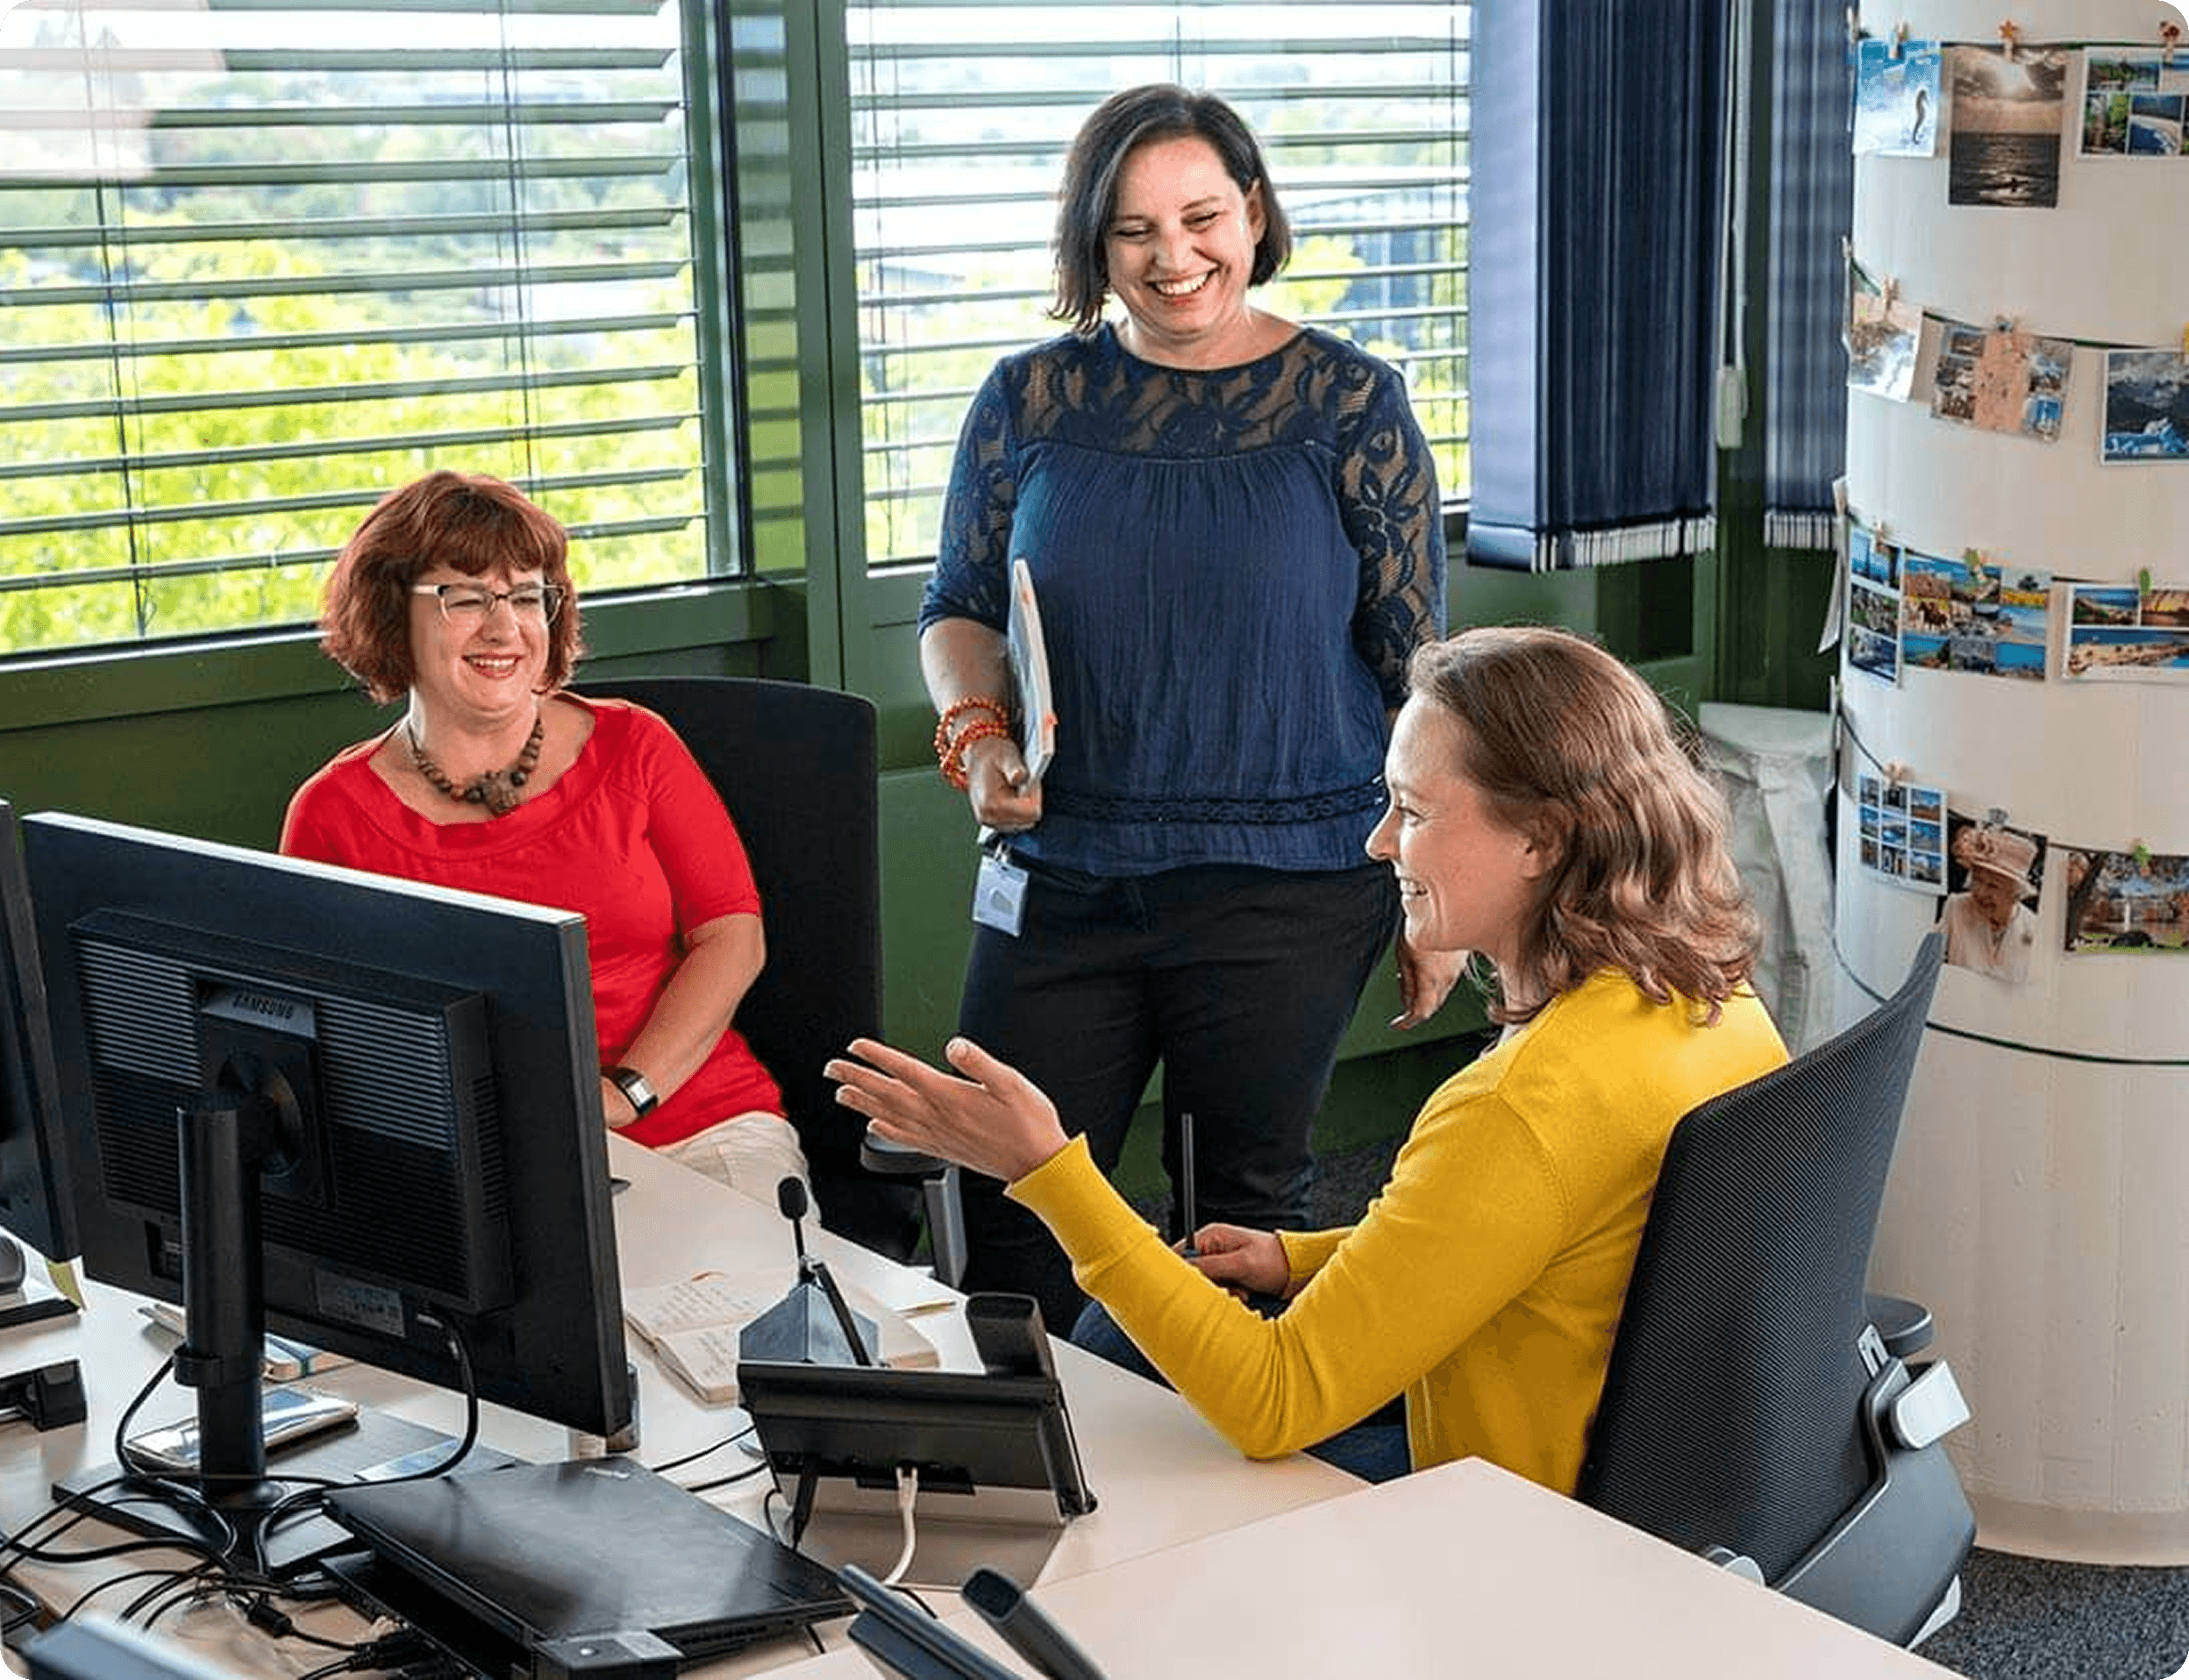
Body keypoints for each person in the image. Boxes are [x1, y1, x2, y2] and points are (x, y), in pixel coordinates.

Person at [831, 626, 1790, 1492]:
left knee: (1121, 1405)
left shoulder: (1515, 1106)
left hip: (1500, 1511)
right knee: (1120, 1333)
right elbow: (1539, 1236)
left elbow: (1276, 1399)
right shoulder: (1714, 996)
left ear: (1540, 835)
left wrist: (1046, 1171)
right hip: (1617, 1451)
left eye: (1413, 810)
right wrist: (1301, 1257)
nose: (1380, 842)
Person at [916, 83, 1451, 1332]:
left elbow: (1417, 666)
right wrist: (978, 734)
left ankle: (1221, 1504)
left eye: (1202, 215)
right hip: (1063, 875)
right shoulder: (1028, 402)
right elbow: (958, 607)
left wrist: (1434, 890)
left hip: (1293, 882)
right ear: (1092, 248)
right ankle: (1027, 1491)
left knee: (1239, 1224)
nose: (1174, 257)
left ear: (1254, 214)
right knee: (1011, 1198)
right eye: (1133, 231)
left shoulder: (1349, 405)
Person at [281, 470, 809, 1201]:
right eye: (464, 597)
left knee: (736, 1309)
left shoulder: (637, 746)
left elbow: (732, 935)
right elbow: (335, 1035)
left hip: (693, 1127)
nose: (504, 628)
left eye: (526, 596)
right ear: (389, 612)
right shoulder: (332, 814)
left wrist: (624, 1094)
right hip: (472, 1166)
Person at [1939, 825, 2041, 984]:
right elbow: (1927, 964)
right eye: (1977, 879)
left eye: (1993, 886)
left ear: (2016, 893)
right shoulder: (1956, 908)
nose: (1980, 892)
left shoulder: (2034, 928)